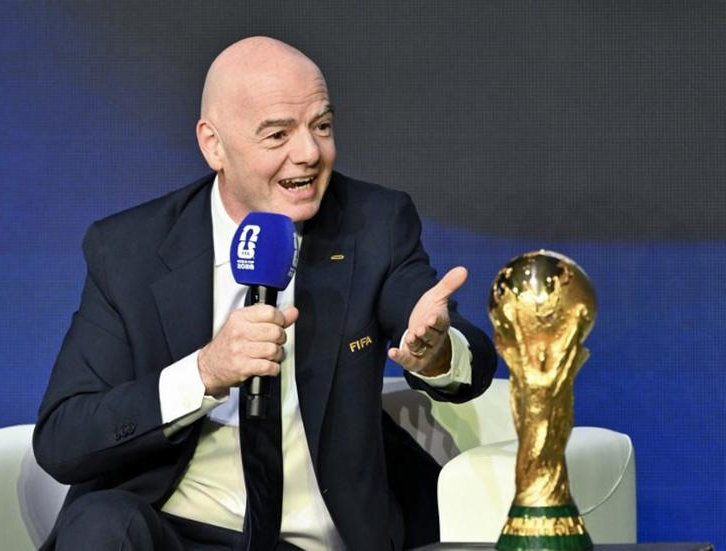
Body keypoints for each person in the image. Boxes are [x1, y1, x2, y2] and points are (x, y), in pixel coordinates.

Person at [33, 36, 497, 551]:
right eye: (278, 135)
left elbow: (454, 347)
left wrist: (436, 352)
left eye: (321, 126)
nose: (310, 153)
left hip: (312, 540)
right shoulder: (128, 250)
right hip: (175, 532)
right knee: (101, 524)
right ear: (214, 145)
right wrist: (205, 372)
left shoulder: (372, 224)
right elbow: (63, 440)